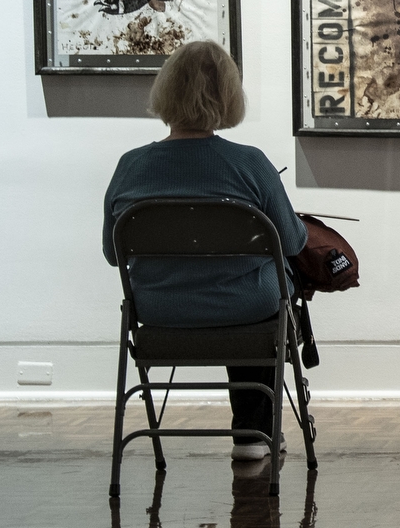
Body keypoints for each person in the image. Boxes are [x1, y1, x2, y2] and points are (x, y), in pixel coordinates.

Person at [102, 41, 309, 463]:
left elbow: (112, 252)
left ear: (166, 92)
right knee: (270, 285)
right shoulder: (250, 164)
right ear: (228, 97)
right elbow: (292, 243)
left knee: (253, 285)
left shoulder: (130, 166)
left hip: (160, 314)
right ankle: (254, 432)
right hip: (246, 314)